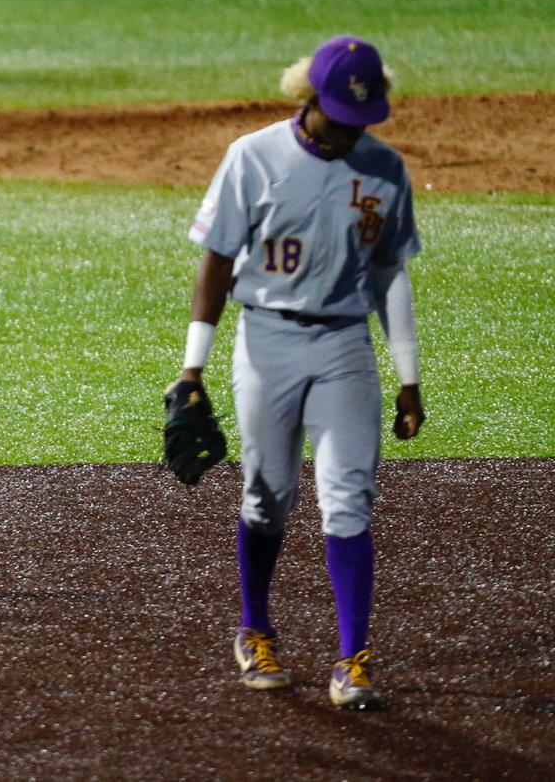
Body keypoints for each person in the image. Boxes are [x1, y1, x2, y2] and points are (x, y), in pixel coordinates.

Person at [173, 35, 423, 710]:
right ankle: (254, 628)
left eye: (361, 118)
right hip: (267, 341)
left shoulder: (384, 168)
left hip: (344, 345)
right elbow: (217, 261)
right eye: (340, 113)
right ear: (308, 98)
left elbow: (389, 273)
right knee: (268, 496)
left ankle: (355, 658)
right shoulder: (252, 157)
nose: (349, 129)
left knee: (347, 498)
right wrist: (192, 367)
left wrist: (409, 375)